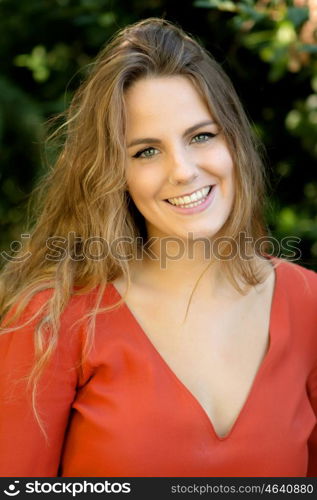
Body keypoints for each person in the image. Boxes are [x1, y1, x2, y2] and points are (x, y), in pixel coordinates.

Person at [0, 17, 316, 478]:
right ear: (114, 173)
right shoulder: (52, 319)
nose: (183, 170)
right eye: (146, 151)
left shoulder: (307, 304)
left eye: (201, 136)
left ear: (235, 143)